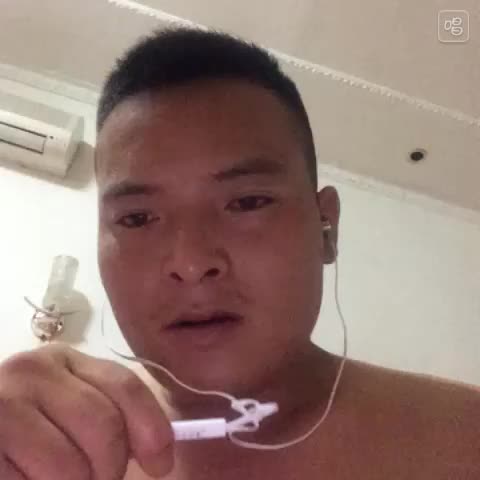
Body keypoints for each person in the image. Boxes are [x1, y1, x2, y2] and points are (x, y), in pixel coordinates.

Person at [0, 28, 478, 480]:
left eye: (247, 203)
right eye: (138, 218)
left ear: (326, 229)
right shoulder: (54, 453)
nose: (190, 263)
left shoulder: (463, 441)